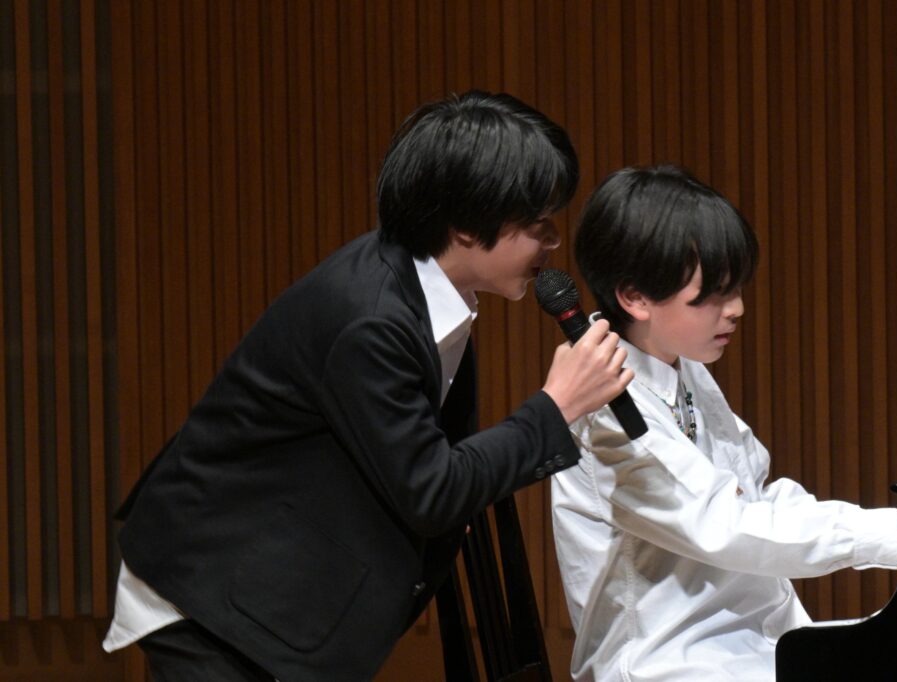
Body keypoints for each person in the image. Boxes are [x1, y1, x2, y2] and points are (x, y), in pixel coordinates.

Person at [102, 90, 634, 682]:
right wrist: (557, 407)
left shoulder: (425, 289)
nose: (554, 240)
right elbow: (432, 490)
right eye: (537, 224)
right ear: (465, 225)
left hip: (274, 578)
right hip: (214, 588)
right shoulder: (371, 317)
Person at [551, 165, 897, 682]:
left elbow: (754, 495)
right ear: (636, 297)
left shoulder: (683, 369)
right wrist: (886, 533)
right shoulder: (606, 405)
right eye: (713, 294)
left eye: (736, 288)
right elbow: (725, 525)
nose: (736, 309)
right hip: (668, 662)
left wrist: (893, 527)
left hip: (744, 644)